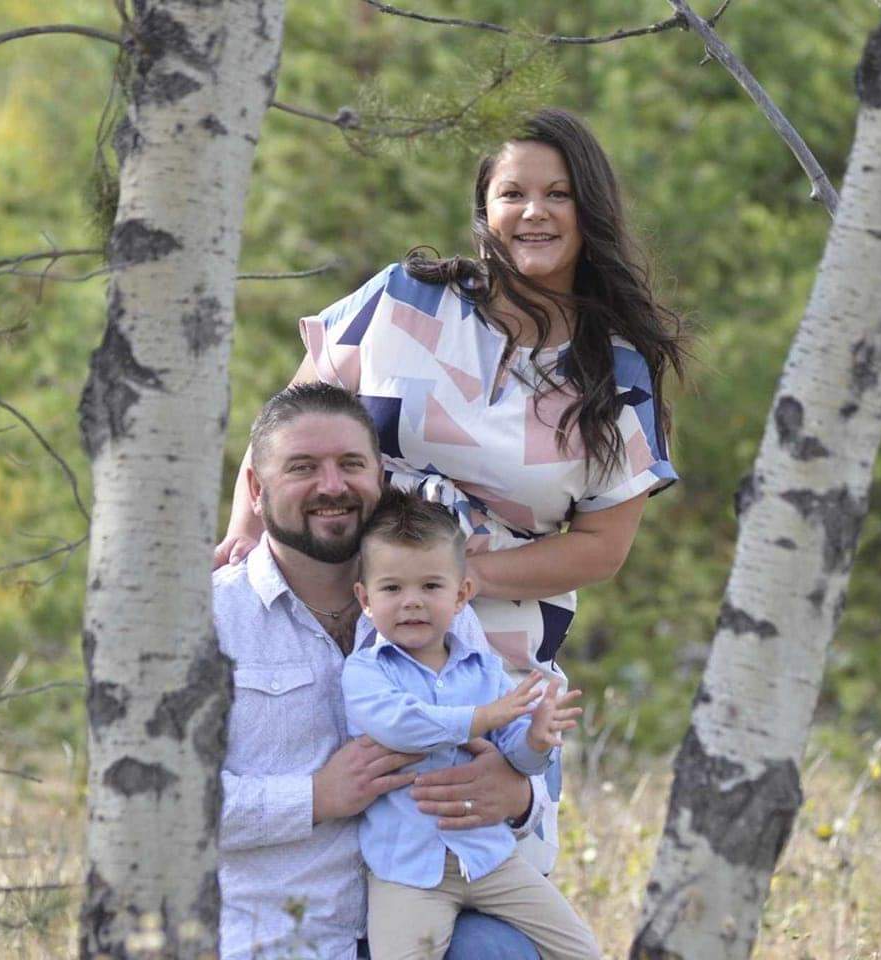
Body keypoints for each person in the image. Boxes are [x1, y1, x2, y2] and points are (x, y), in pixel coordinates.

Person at [216, 108, 685, 872]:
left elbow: (603, 548)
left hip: (492, 667)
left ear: (589, 212)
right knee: (329, 885)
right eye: (513, 193)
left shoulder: (619, 372)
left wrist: (462, 581)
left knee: (487, 904)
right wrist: (243, 530)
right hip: (341, 638)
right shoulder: (405, 302)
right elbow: (291, 425)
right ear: (484, 211)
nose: (533, 211)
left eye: (558, 194)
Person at [214, 384, 546, 960]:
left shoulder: (436, 608)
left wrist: (516, 797)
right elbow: (160, 805)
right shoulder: (211, 619)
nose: (333, 486)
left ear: (379, 480)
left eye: (351, 465)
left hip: (437, 901)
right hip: (283, 932)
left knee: (503, 952)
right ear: (256, 490)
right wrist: (315, 796)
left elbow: (508, 748)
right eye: (302, 467)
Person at [342, 488, 600, 960]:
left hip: (489, 859)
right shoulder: (366, 671)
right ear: (365, 598)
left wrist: (536, 742)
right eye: (392, 588)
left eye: (431, 587)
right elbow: (401, 726)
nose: (412, 603)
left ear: (461, 594)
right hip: (409, 872)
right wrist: (481, 718)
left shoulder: (483, 669)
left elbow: (512, 756)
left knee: (581, 950)